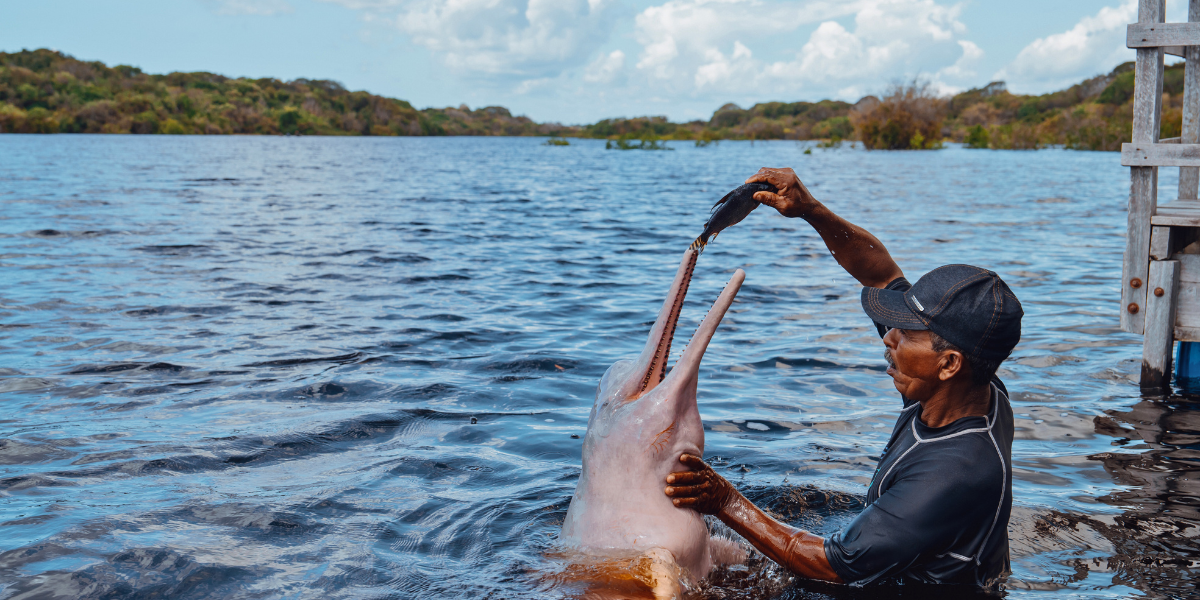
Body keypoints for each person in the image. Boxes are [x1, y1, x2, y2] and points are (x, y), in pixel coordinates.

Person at [663, 167, 1023, 587]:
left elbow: (834, 565)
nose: (888, 337)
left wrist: (725, 500)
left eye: (907, 333)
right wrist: (810, 209)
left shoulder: (954, 472)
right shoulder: (968, 386)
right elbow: (880, 274)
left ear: (949, 364)